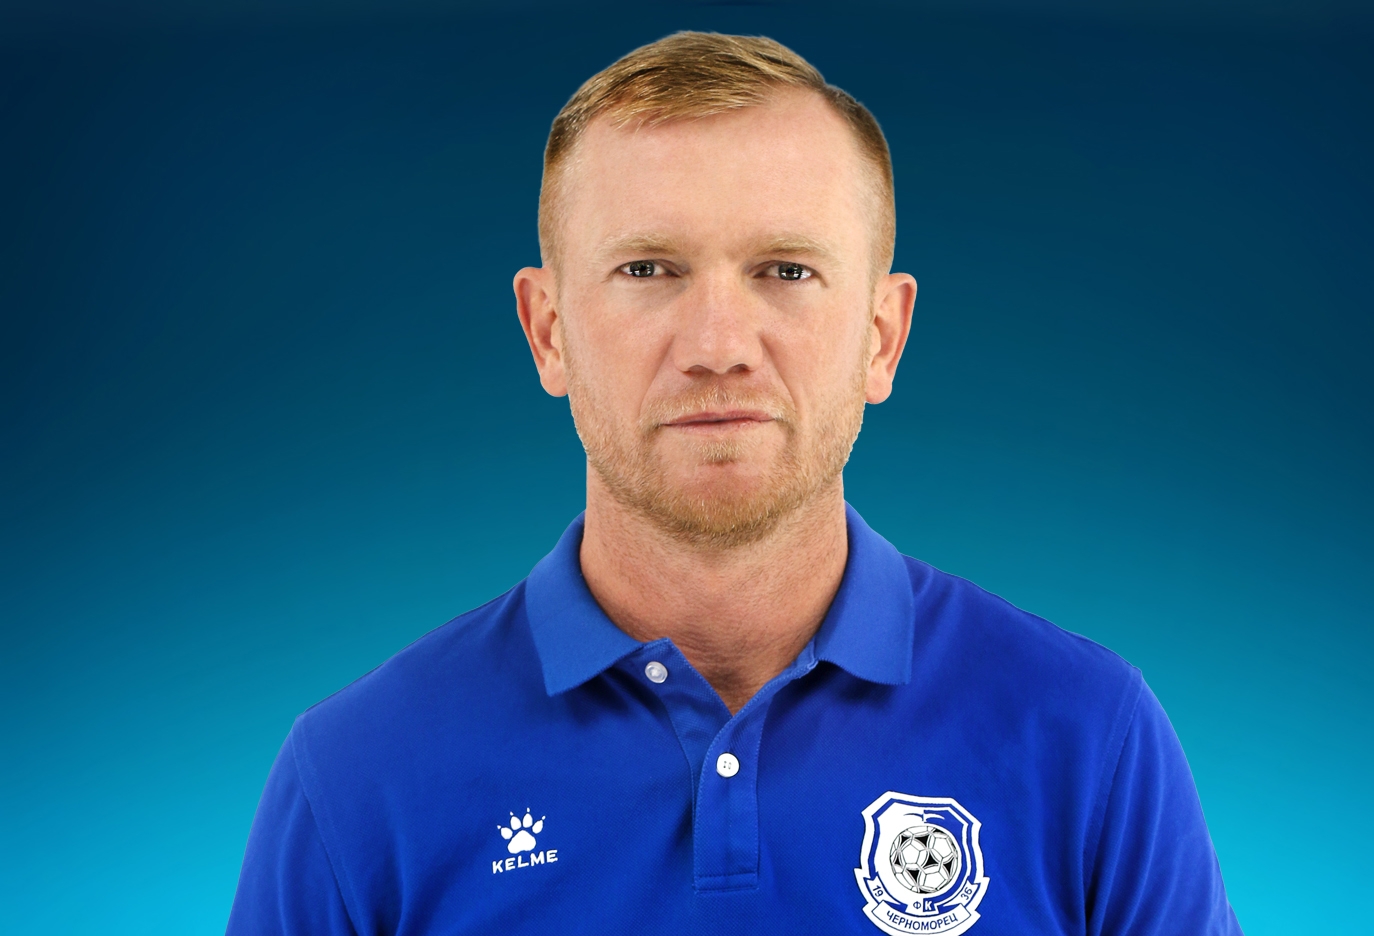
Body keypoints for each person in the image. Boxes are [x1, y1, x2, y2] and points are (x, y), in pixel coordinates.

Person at [227, 32, 1241, 935]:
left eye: (786, 271)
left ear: (882, 337)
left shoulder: (1087, 739)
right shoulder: (356, 777)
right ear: (548, 332)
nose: (718, 345)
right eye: (648, 270)